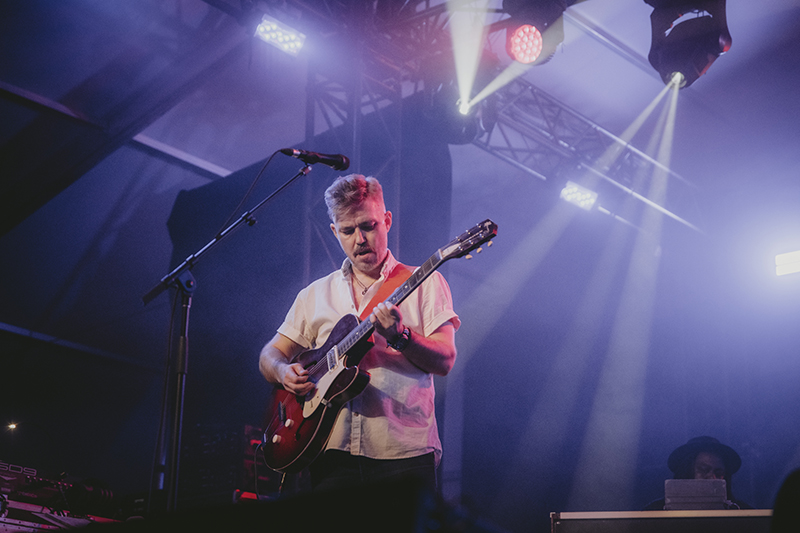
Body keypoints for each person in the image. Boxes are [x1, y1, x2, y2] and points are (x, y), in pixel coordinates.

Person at [258, 174, 459, 493]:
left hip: (403, 452)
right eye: (348, 231)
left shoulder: (425, 282)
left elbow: (445, 360)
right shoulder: (314, 294)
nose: (360, 239)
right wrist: (282, 371)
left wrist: (401, 336)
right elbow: (270, 354)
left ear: (387, 221)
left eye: (368, 226)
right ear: (334, 231)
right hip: (330, 455)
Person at [644, 436, 752, 510]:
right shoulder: (655, 511)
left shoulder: (742, 512)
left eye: (718, 473)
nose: (712, 477)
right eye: (703, 470)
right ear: (686, 472)